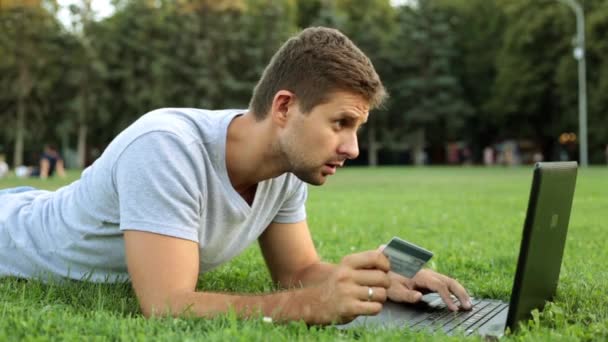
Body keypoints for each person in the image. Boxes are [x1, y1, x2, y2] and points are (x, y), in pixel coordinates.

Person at [0, 27, 470, 324]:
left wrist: (383, 282)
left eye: (357, 128)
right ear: (284, 107)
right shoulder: (165, 146)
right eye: (340, 123)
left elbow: (298, 272)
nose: (352, 148)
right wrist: (309, 307)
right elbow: (166, 306)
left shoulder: (288, 167)